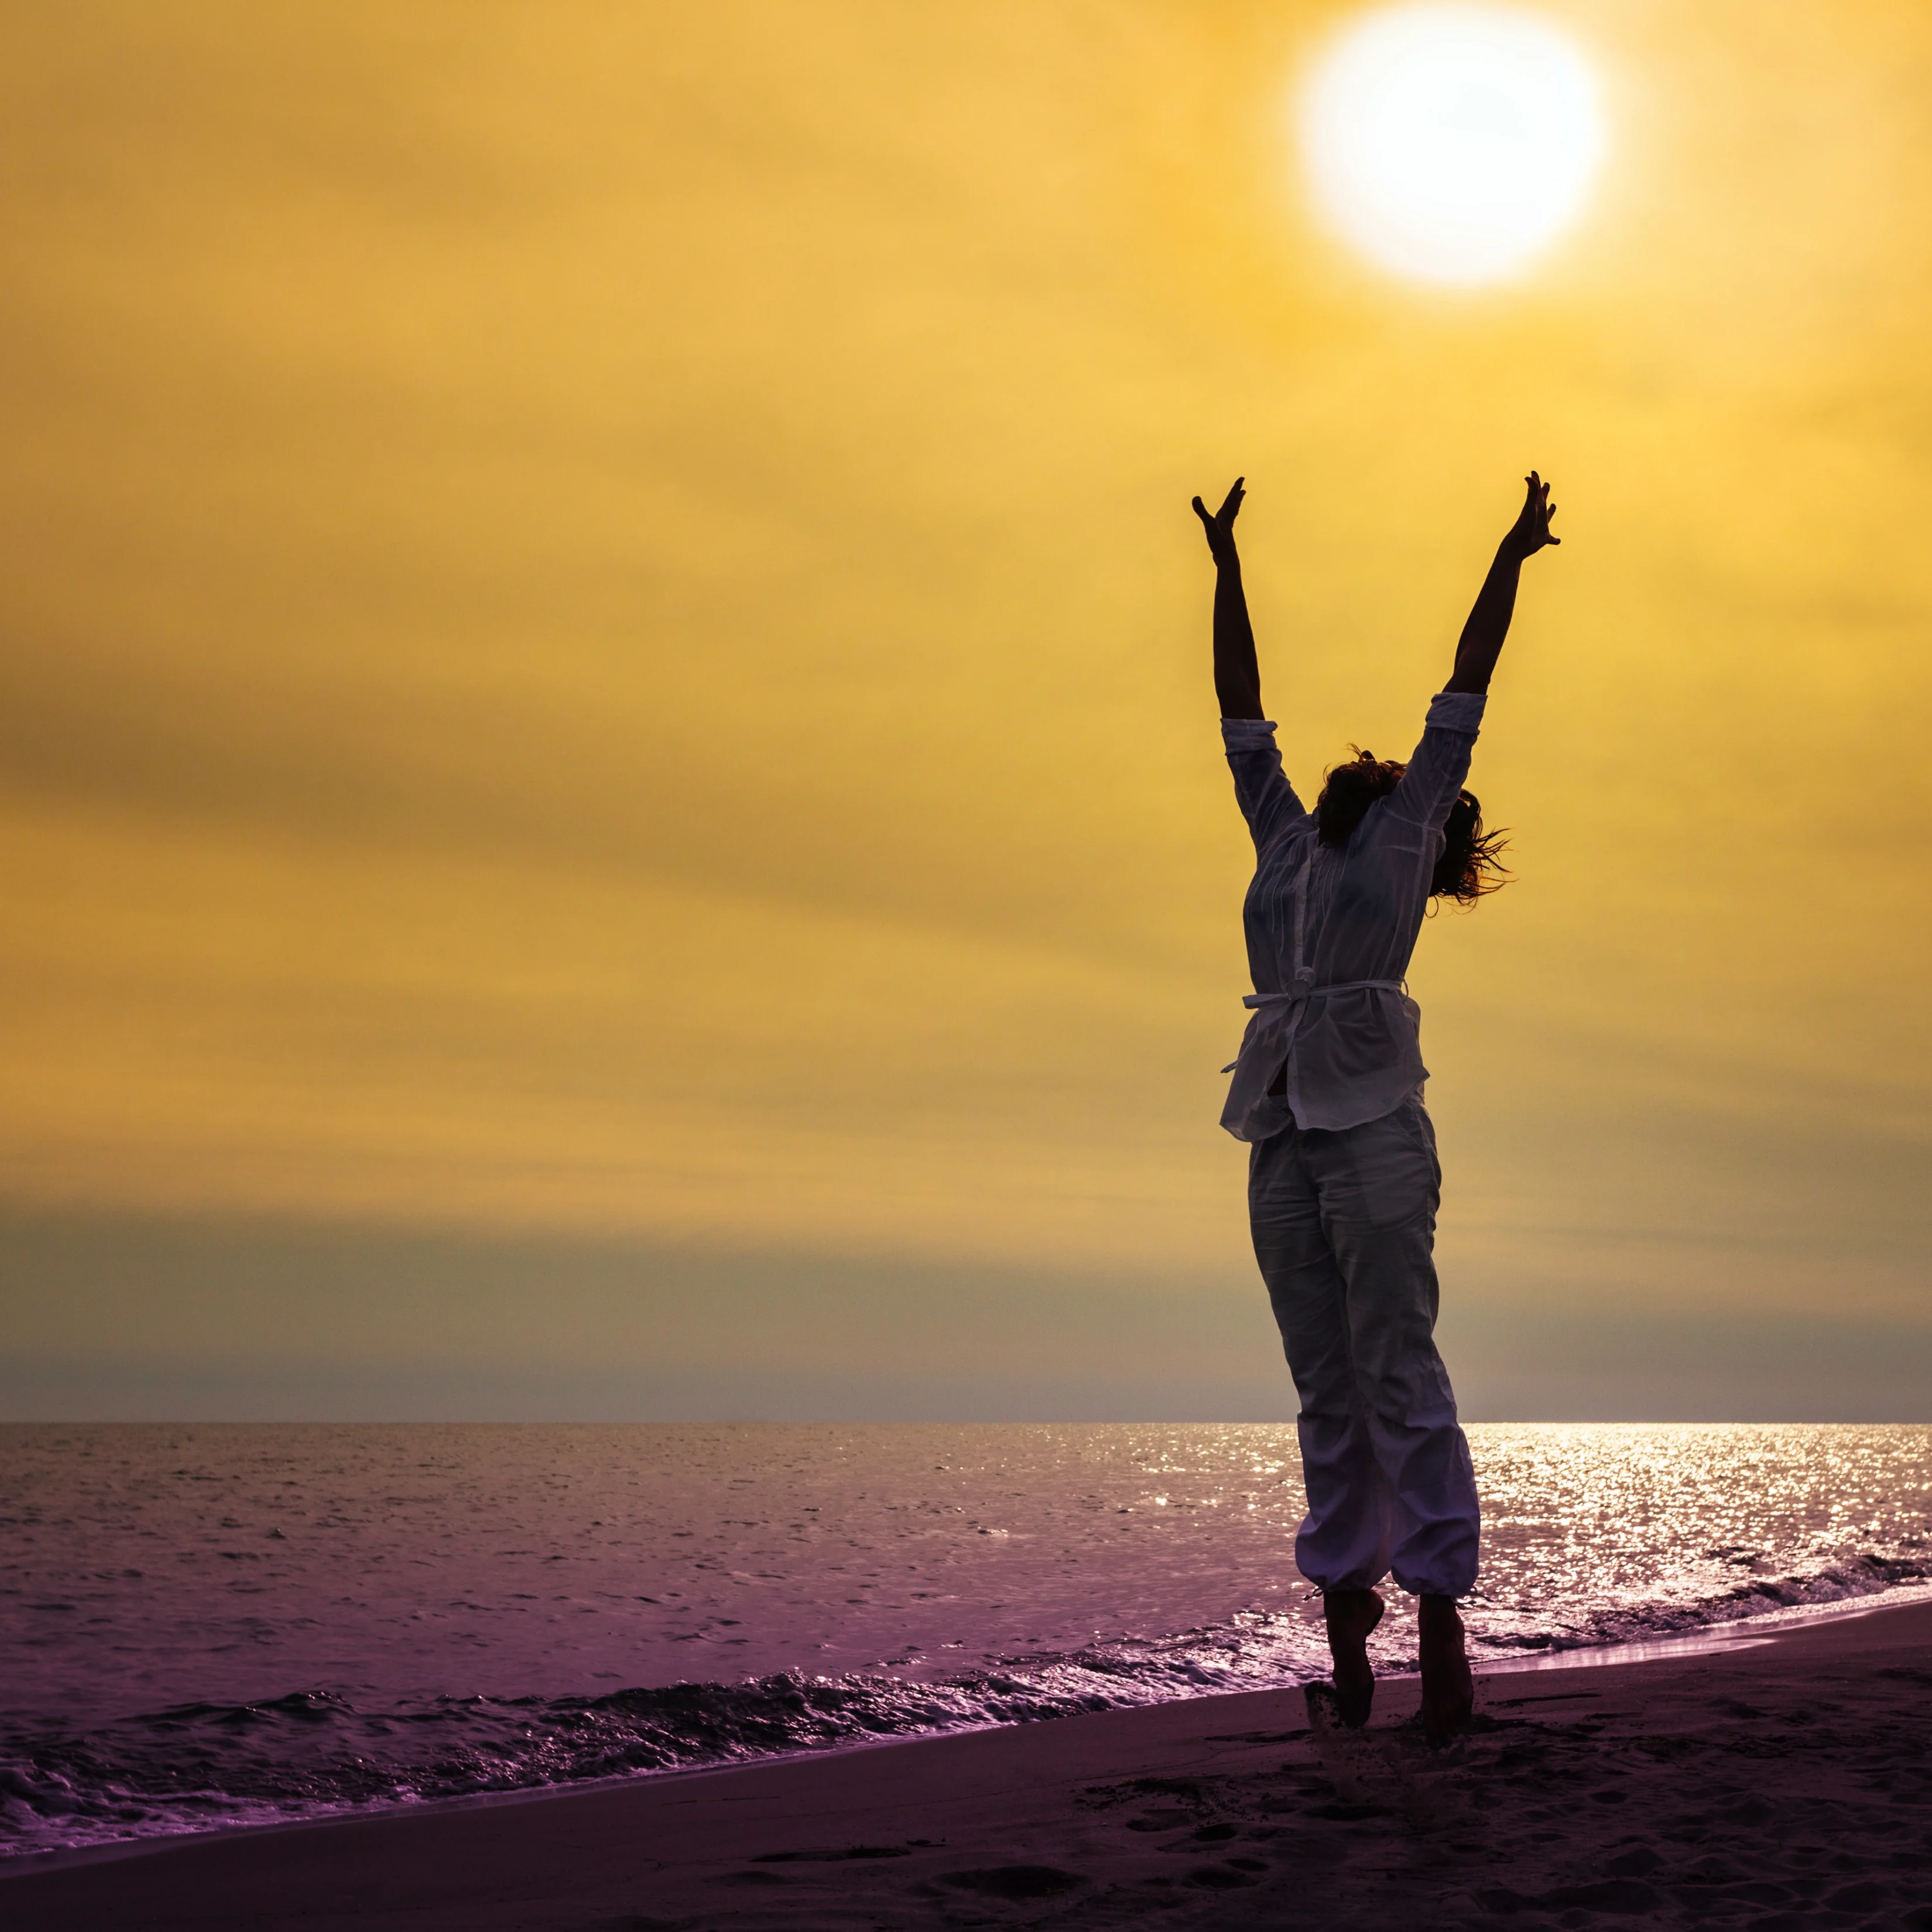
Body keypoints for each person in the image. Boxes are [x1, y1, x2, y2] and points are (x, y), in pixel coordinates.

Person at [1191, 471, 1558, 1746]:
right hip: (1283, 1120)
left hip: (1378, 1125)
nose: (1360, 768)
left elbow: (1469, 686)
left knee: (1397, 1361)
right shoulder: (1282, 842)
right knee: (1323, 1378)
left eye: (1381, 767)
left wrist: (1511, 553)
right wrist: (1227, 567)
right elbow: (1240, 708)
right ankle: (1350, 1656)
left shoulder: (1402, 837)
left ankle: (1446, 1641)